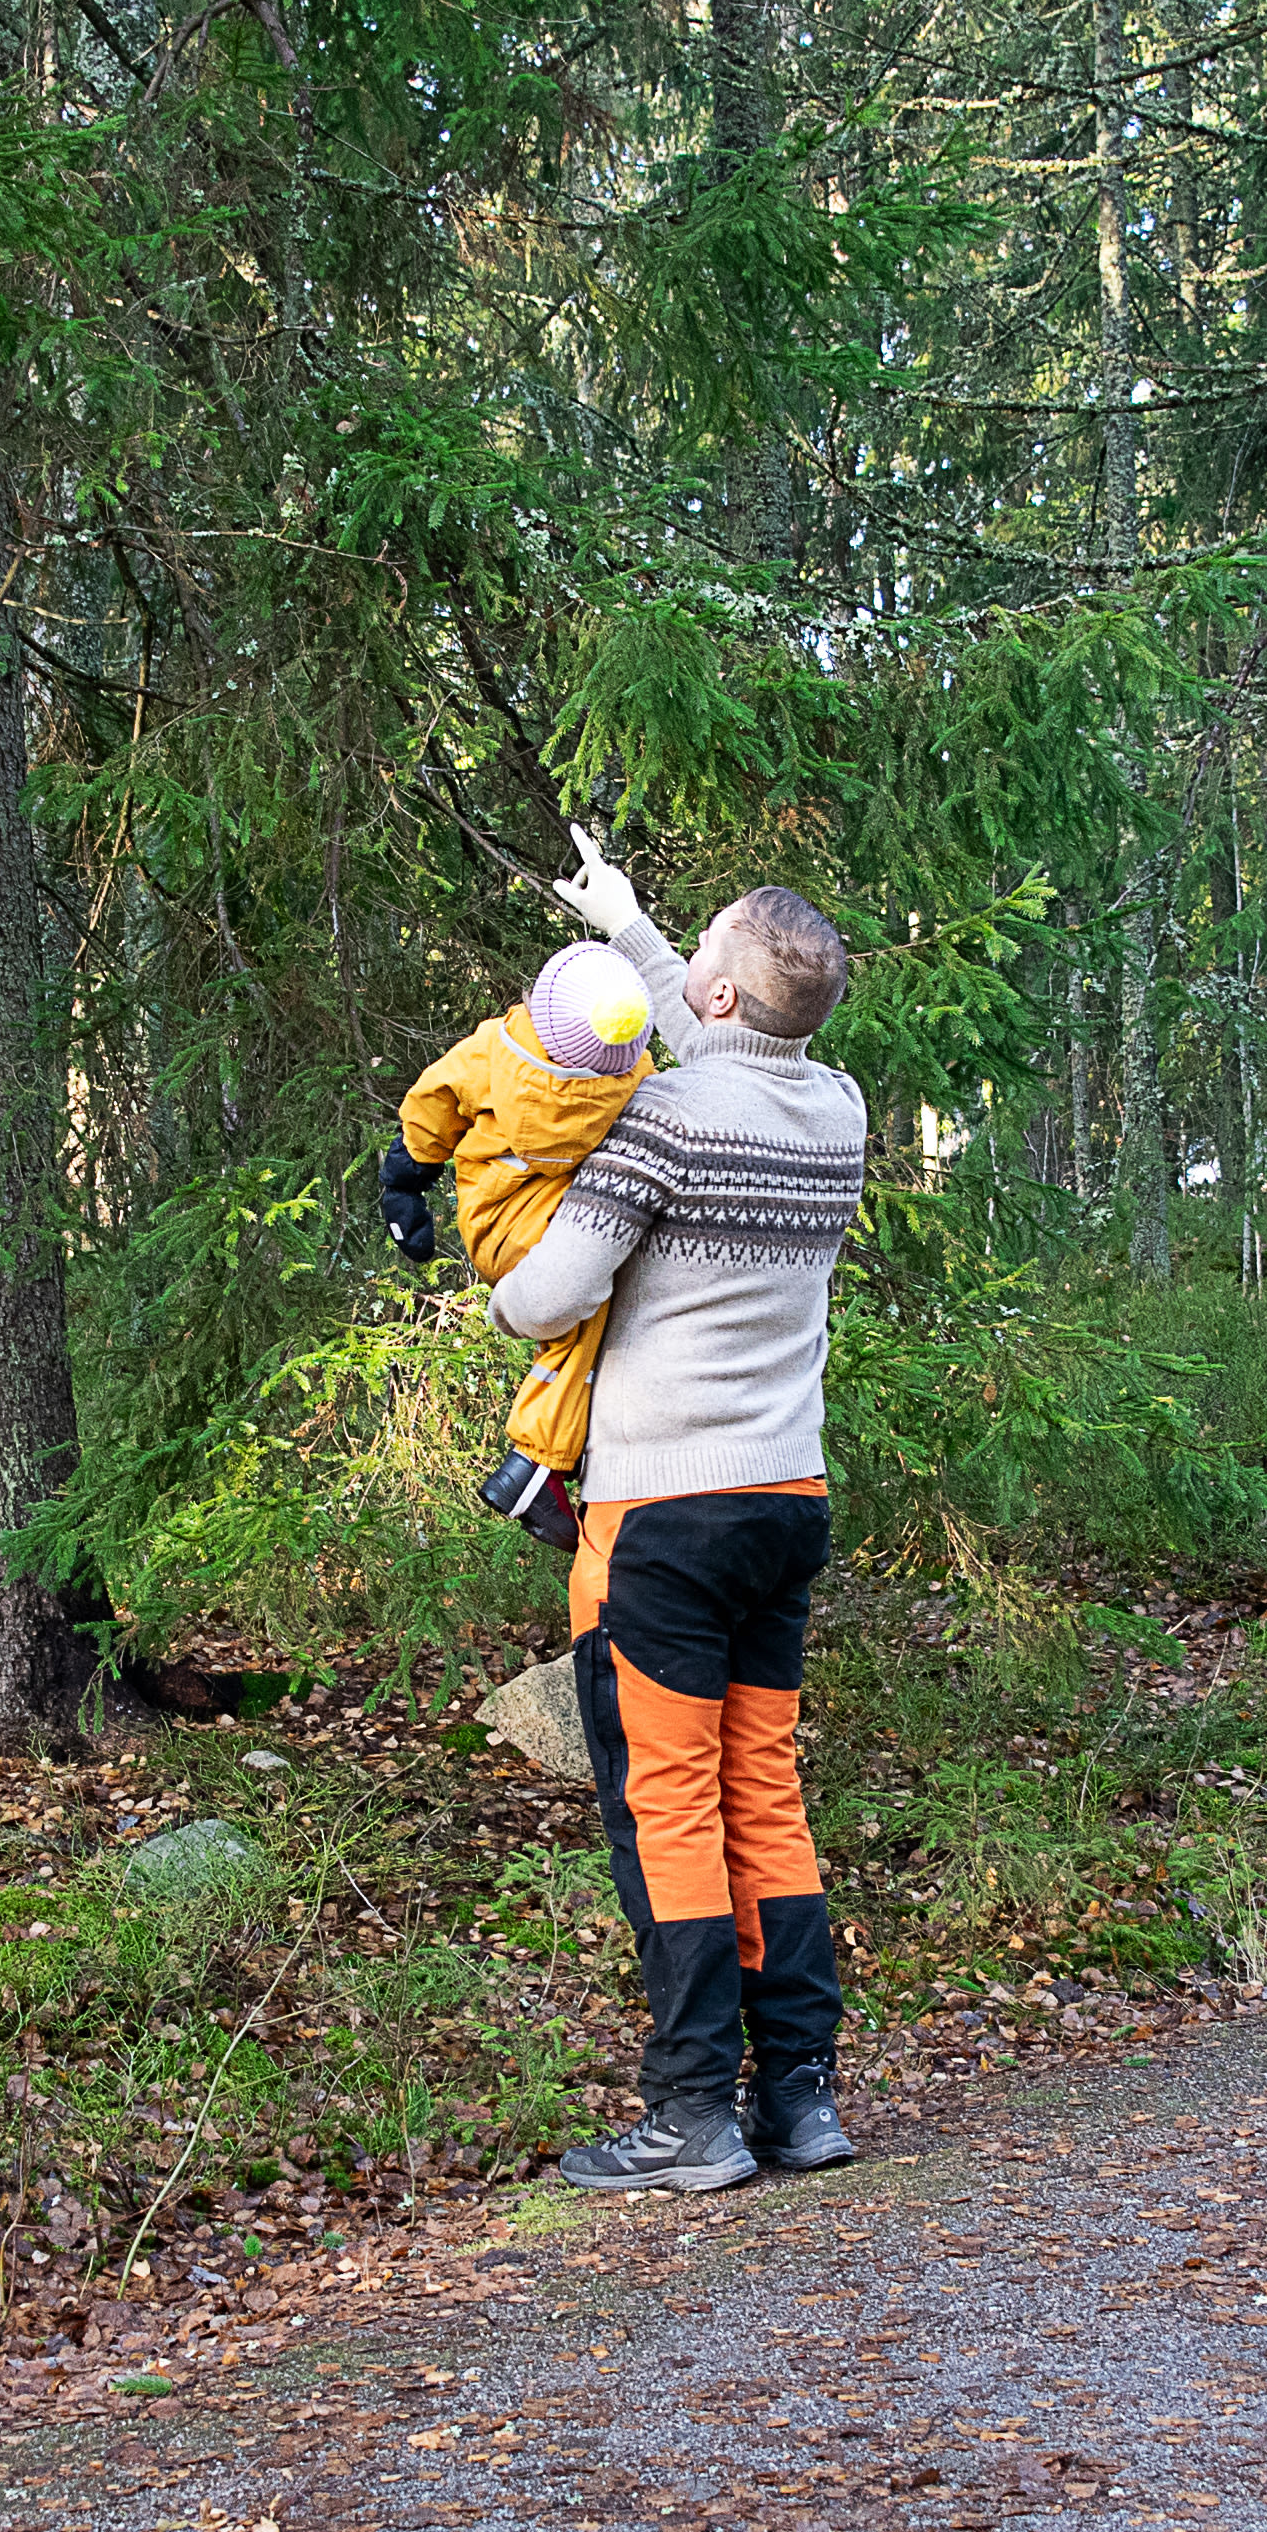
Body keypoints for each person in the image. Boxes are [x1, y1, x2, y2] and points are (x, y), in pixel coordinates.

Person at [486, 829, 875, 2195]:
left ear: (709, 999)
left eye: (692, 952)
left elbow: (545, 1296)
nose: (678, 967)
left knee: (667, 1811)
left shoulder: (665, 1117)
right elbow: (721, 1045)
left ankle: (693, 2114)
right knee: (762, 1791)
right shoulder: (835, 1107)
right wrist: (635, 921)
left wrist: (498, 1284)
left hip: (662, 1517)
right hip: (785, 1500)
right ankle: (802, 2102)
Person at [373, 942, 661, 1552]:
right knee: (585, 1312)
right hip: (551, 1231)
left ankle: (561, 1452)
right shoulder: (632, 1078)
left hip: (496, 1225)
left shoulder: (494, 1050)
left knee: (595, 1304)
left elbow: (433, 1104)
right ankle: (536, 1461)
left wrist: (405, 1183)